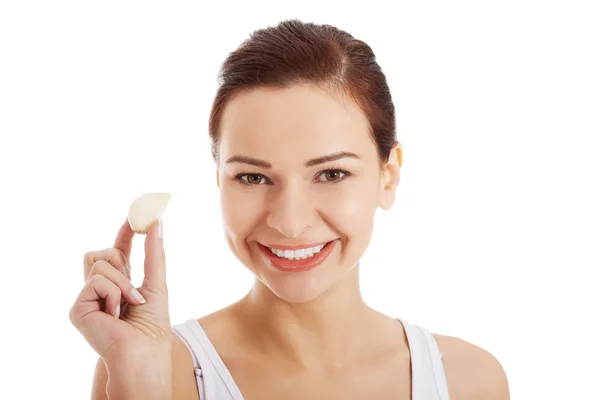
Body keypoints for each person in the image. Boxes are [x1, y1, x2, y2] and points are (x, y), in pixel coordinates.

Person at [70, 19, 510, 400]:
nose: (290, 221)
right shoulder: (149, 368)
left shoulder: (469, 381)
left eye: (331, 174)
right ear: (218, 177)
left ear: (388, 176)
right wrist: (141, 383)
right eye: (253, 177)